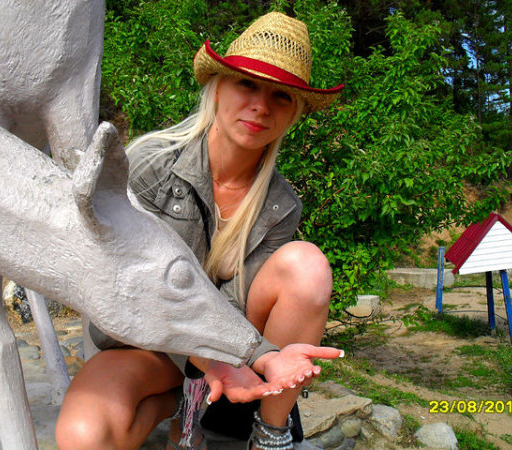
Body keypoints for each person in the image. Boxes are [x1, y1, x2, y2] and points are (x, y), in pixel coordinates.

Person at [55, 11, 344, 450]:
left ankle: (270, 432)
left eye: (281, 96)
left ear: (293, 115)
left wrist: (232, 357)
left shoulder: (281, 205)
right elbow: (127, 291)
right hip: (145, 344)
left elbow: (241, 304)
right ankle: (178, 403)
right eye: (247, 84)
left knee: (308, 267)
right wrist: (209, 360)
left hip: (226, 350)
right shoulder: (148, 165)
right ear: (218, 87)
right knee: (84, 436)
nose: (261, 106)